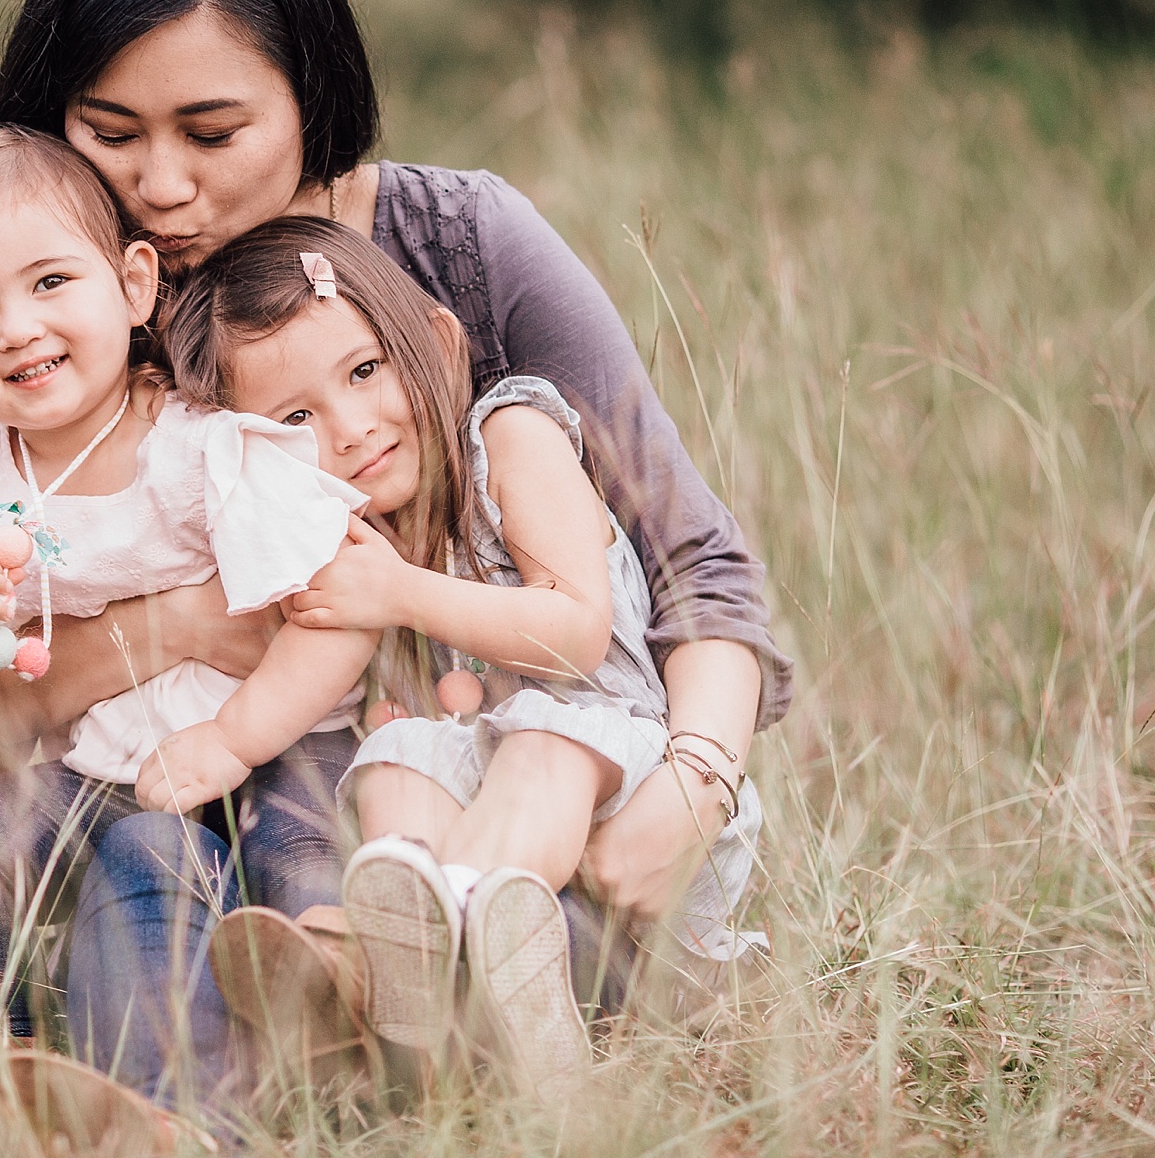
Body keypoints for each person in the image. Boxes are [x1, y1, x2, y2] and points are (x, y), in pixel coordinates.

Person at [0, 0, 788, 1118]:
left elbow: (696, 566)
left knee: (466, 903)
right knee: (18, 863)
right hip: (147, 787)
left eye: (215, 131)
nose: (164, 186)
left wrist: (687, 788)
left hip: (444, 785)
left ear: (313, 90)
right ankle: (179, 1088)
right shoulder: (44, 296)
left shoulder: (459, 246)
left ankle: (262, 1051)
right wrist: (180, 630)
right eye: (109, 133)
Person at [0, 125, 393, 1118]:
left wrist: (235, 740)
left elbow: (340, 613)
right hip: (99, 769)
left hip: (275, 751)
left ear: (135, 284)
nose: (16, 327)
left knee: (279, 862)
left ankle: (287, 1053)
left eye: (50, 282)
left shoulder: (205, 447)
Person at [159, 217, 763, 1096]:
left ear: (437, 345)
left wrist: (400, 594)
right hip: (516, 848)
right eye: (296, 417)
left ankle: (419, 963)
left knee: (541, 748)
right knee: (394, 762)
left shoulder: (511, 435)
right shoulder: (351, 536)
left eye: (366, 371)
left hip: (627, 787)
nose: (352, 426)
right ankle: (449, 1003)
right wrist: (228, 738)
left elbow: (575, 628)